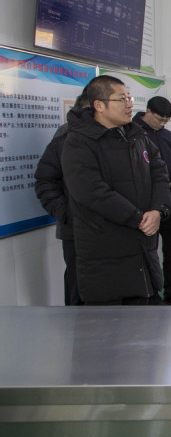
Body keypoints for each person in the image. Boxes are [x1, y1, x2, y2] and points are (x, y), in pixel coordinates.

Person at [61, 75, 170, 305]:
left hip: (142, 249)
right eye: (121, 99)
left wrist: (158, 210)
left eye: (129, 98)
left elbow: (159, 172)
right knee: (110, 323)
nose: (129, 104)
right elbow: (91, 192)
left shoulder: (136, 135)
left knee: (146, 319)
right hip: (105, 255)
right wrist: (137, 218)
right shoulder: (78, 142)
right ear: (99, 105)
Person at [134, 96, 171, 305]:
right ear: (148, 112)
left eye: (166, 121)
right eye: (159, 119)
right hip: (147, 205)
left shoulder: (166, 135)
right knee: (148, 251)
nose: (162, 124)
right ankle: (151, 294)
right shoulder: (134, 133)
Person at [34, 93, 90, 306]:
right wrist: (67, 213)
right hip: (74, 229)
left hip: (108, 230)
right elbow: (46, 181)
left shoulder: (118, 135)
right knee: (77, 284)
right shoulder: (64, 136)